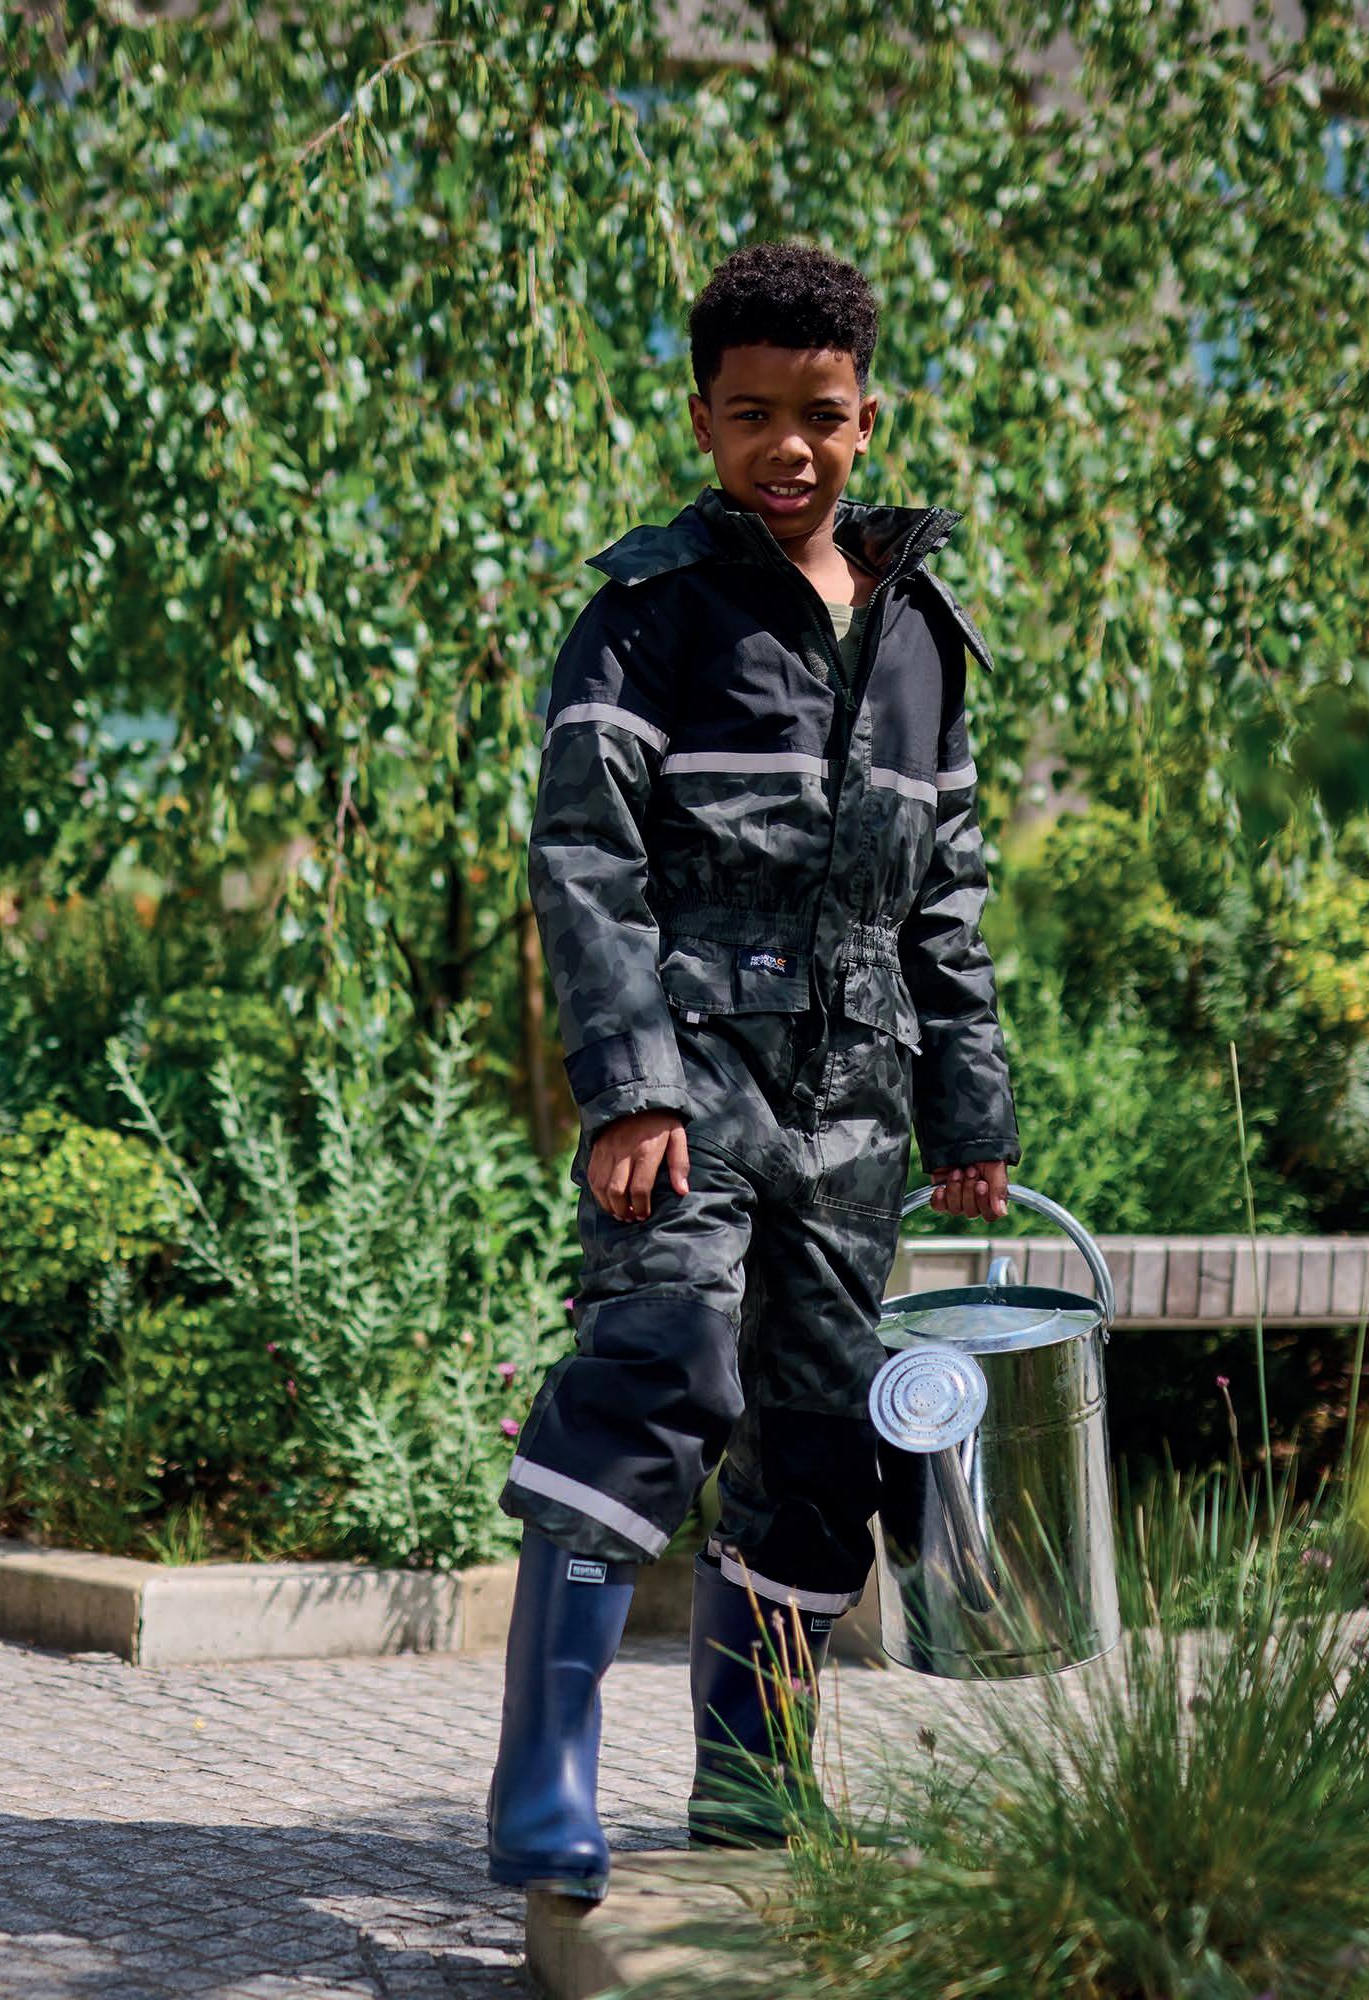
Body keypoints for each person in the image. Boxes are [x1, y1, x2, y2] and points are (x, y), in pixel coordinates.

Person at [485, 240, 1020, 1900]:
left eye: (821, 415)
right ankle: (543, 1779)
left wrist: (971, 1104)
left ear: (869, 418)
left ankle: (752, 1782)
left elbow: (949, 893)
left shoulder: (923, 635)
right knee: (654, 1369)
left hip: (858, 1101)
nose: (789, 447)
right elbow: (586, 861)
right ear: (703, 419)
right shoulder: (648, 618)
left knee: (822, 1439)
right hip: (693, 1076)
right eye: (752, 415)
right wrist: (628, 1084)